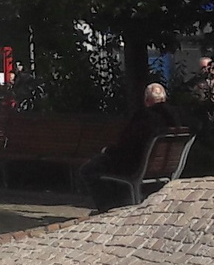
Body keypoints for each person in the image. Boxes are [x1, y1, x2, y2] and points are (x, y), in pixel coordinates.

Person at [80, 82, 187, 213]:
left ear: (147, 101)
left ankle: (108, 209)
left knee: (89, 169)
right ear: (164, 99)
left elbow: (126, 148)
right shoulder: (178, 117)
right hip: (165, 168)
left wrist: (108, 151)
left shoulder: (144, 118)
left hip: (136, 166)